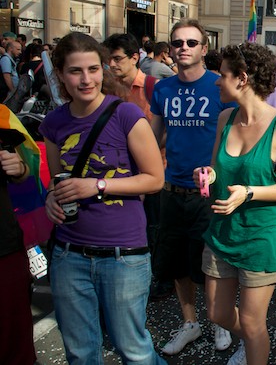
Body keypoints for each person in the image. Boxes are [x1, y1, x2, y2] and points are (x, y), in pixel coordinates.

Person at [40, 32, 166, 365]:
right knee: (80, 353)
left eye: (93, 69)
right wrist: (51, 198)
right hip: (69, 254)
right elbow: (57, 181)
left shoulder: (126, 115)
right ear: (60, 74)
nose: (86, 79)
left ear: (103, 70)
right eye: (75, 71)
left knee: (134, 351)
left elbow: (155, 179)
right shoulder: (54, 123)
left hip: (123, 255)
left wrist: (97, 186)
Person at [195, 43, 276, 365]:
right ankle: (254, 342)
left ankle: (255, 347)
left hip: (261, 236)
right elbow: (217, 166)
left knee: (254, 324)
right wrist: (208, 174)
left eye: (223, 75)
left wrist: (249, 192)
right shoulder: (225, 118)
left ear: (242, 78)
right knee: (217, 313)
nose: (217, 81)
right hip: (222, 232)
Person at [150, 19, 233, 355]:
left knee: (211, 263)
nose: (183, 48)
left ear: (203, 48)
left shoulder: (219, 86)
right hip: (172, 189)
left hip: (209, 193)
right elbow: (153, 138)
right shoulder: (162, 89)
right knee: (177, 264)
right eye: (177, 42)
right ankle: (190, 323)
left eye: (191, 42)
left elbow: (235, 138)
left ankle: (218, 320)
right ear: (170, 48)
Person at [0, 104, 37, 365]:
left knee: (14, 342)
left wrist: (19, 168)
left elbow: (25, 169)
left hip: (5, 247)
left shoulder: (2, 116)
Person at [105, 33, 154, 120]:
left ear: (134, 58)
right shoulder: (109, 87)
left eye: (117, 59)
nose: (111, 64)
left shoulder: (152, 87)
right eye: (108, 59)